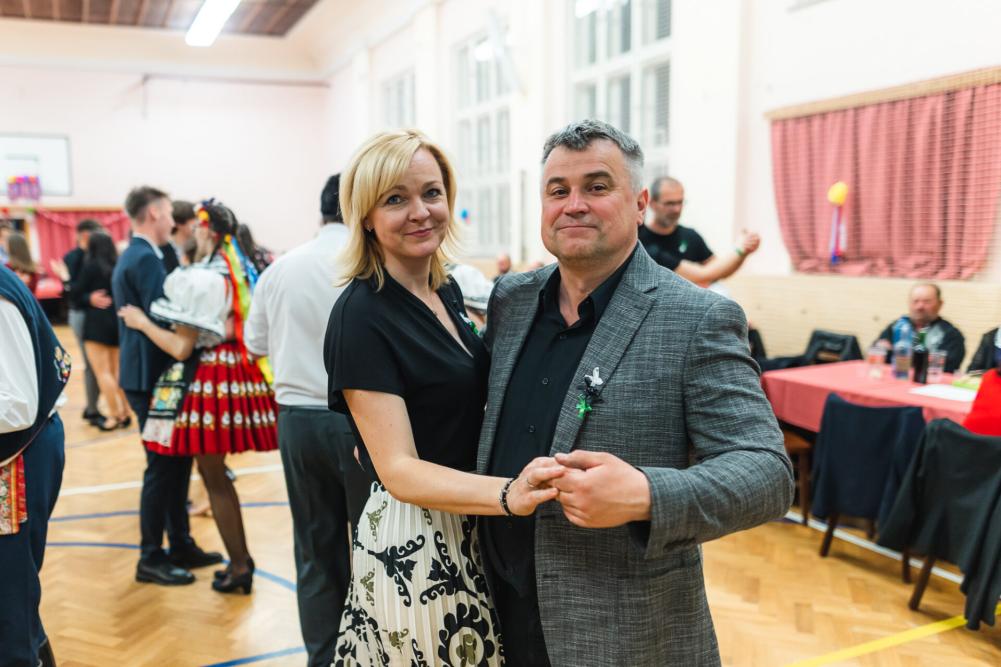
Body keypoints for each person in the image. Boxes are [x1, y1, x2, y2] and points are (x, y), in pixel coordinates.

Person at [479, 119, 794, 666]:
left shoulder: (697, 317)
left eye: (597, 186)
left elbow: (766, 472)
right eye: (558, 190)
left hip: (621, 631)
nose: (574, 205)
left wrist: (646, 494)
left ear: (640, 203)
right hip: (495, 610)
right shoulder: (511, 299)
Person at [325, 130, 564, 665]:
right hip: (419, 539)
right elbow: (400, 470)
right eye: (395, 199)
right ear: (366, 216)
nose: (420, 212)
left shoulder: (443, 288)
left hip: (470, 517)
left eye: (431, 193)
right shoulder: (361, 315)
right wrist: (509, 493)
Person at [120, 200, 278, 595]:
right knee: (216, 476)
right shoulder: (236, 271)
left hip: (208, 378)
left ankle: (239, 565)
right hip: (236, 374)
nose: (190, 231)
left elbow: (180, 347)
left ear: (207, 231)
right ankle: (236, 560)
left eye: (196, 226)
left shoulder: (201, 279)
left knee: (214, 478)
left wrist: (141, 322)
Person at [244, 174, 371, 665]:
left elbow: (254, 344)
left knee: (316, 550)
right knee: (375, 543)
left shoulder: (280, 269)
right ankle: (373, 651)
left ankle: (323, 657)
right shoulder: (369, 264)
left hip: (298, 421)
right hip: (363, 420)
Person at [112, 186, 222, 587]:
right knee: (161, 467)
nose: (175, 221)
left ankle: (180, 543)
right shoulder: (143, 258)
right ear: (156, 213)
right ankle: (150, 555)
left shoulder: (151, 254)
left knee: (177, 464)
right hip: (149, 378)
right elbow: (164, 317)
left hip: (157, 375)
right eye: (169, 213)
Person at [0, 264, 69, 667]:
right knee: (16, 606)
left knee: (10, 606)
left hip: (18, 455)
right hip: (17, 450)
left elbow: (18, 406)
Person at [69, 232, 131, 430]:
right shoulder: (118, 265)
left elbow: (76, 294)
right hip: (117, 321)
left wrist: (87, 297)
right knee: (117, 371)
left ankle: (114, 415)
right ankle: (126, 412)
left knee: (102, 372)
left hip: (96, 323)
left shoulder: (91, 267)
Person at [50, 219, 105, 426]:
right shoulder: (73, 258)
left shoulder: (96, 255)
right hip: (81, 314)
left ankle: (94, 406)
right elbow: (72, 292)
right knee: (91, 363)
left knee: (98, 364)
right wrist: (89, 298)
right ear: (85, 236)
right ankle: (92, 409)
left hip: (96, 315)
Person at [873, 283, 966, 373]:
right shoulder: (897, 326)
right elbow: (876, 353)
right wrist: (923, 358)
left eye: (927, 301)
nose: (919, 306)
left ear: (940, 304)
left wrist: (894, 352)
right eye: (915, 301)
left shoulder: (951, 334)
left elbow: (947, 367)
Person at [169, 200, 199, 269]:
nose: (198, 224)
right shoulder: (168, 251)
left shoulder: (195, 248)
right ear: (179, 223)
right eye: (194, 219)